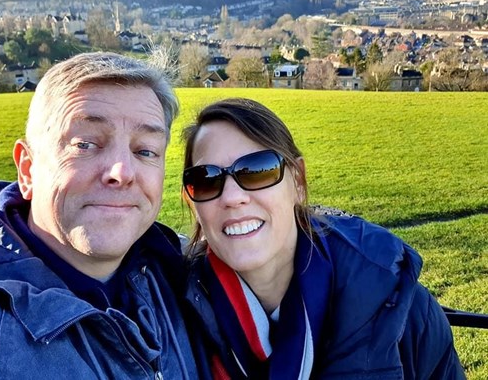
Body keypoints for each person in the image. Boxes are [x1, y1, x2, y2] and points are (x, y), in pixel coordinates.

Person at [0, 52, 198, 379]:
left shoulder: (185, 278)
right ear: (28, 170)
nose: (121, 171)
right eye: (86, 144)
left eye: (145, 150)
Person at [181, 98, 465, 379]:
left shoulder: (403, 313)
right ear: (193, 202)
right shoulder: (174, 319)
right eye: (207, 180)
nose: (232, 197)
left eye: (258, 170)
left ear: (298, 182)